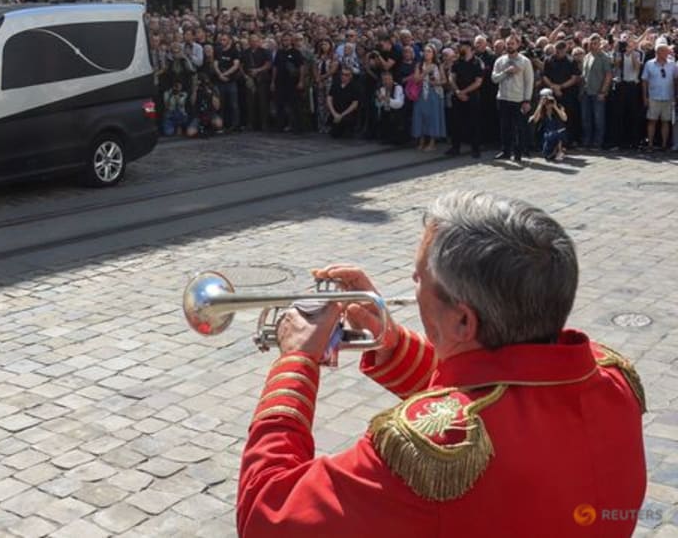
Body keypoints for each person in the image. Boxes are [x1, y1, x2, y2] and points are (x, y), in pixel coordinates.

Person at [236, 190, 646, 537]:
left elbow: (266, 514)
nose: (413, 292)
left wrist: (296, 360)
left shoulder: (437, 451)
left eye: (418, 280)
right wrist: (392, 343)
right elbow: (493, 391)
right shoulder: (612, 376)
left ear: (464, 320)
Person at [491, 35, 535, 164]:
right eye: (508, 44)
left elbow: (529, 82)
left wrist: (527, 100)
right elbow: (494, 78)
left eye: (512, 44)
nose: (510, 46)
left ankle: (518, 152)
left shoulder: (525, 61)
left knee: (519, 127)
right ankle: (505, 151)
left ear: (518, 45)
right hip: (503, 98)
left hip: (518, 99)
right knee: (505, 127)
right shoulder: (500, 61)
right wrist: (506, 72)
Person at [446, 39, 483, 158]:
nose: (461, 48)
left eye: (463, 47)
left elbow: (478, 82)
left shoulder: (477, 63)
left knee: (474, 123)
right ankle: (455, 147)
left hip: (472, 97)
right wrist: (457, 91)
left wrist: (464, 92)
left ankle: (475, 149)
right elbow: (451, 78)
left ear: (469, 48)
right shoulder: (456, 62)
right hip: (457, 96)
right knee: (456, 123)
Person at [640, 41, 675, 153]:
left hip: (668, 96)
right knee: (652, 121)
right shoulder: (649, 64)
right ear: (658, 52)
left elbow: (675, 80)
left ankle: (664, 145)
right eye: (665, 51)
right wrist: (645, 97)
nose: (667, 53)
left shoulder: (672, 64)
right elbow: (644, 81)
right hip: (653, 96)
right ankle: (650, 144)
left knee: (665, 121)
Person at [579, 35, 612, 149]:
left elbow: (608, 75)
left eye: (596, 43)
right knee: (585, 119)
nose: (594, 45)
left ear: (599, 44)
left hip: (598, 92)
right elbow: (584, 75)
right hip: (586, 92)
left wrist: (603, 91)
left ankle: (598, 143)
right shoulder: (587, 56)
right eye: (592, 43)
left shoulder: (604, 57)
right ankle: (586, 141)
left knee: (599, 119)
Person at [529, 88, 569, 161]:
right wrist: (540, 105)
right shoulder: (541, 109)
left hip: (559, 132)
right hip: (547, 134)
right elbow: (535, 120)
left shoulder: (559, 106)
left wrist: (555, 106)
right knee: (546, 154)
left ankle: (560, 150)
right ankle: (555, 149)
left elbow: (564, 118)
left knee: (558, 132)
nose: (547, 102)